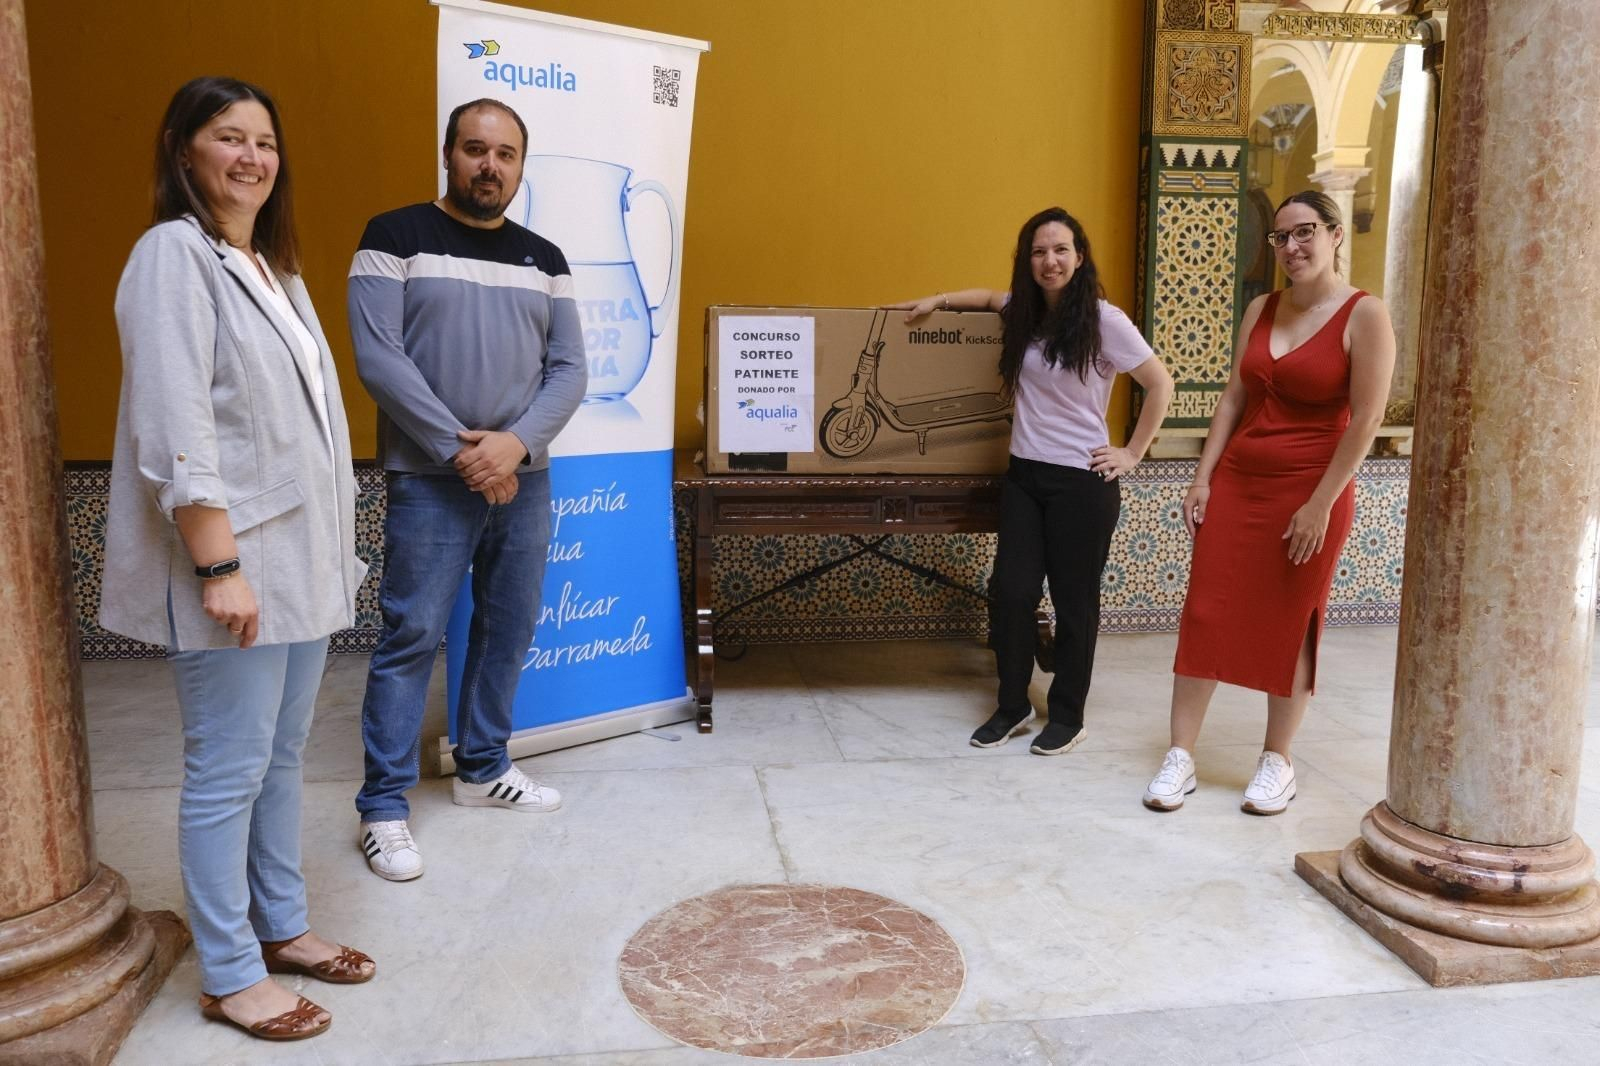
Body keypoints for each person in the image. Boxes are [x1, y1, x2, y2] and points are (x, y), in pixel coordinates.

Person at [101, 76, 373, 1042]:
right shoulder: (173, 255)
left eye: (265, 140)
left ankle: (282, 926)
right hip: (239, 570)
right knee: (228, 768)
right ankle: (227, 971)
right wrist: (218, 568)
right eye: (229, 137)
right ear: (184, 151)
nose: (253, 157)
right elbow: (178, 425)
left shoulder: (273, 269)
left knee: (283, 756)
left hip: (300, 565)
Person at [348, 98, 586, 881]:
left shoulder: (546, 259)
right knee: (411, 636)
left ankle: (483, 768)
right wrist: (465, 451)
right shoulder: (395, 236)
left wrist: (515, 445)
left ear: (521, 164)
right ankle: (384, 807)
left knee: (507, 627)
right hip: (432, 479)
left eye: (506, 154)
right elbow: (380, 359)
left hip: (526, 477)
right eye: (476, 150)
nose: (491, 166)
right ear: (449, 154)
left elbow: (570, 370)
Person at [1143, 190, 1395, 815]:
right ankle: (1180, 756)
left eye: (1305, 232)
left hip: (1313, 488)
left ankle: (1277, 760)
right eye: (1280, 238)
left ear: (1337, 235)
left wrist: (1319, 503)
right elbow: (1233, 396)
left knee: (1292, 620)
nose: (1292, 248)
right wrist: (1203, 477)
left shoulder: (1366, 316)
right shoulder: (1262, 306)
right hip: (1240, 480)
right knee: (1205, 609)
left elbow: (1366, 420)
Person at [893, 207, 1174, 755]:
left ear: (1080, 256)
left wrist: (1132, 453)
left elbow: (1160, 383)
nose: (1050, 260)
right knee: (1011, 592)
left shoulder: (1103, 320)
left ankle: (1068, 714)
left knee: (1074, 603)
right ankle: (1014, 703)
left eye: (1061, 249)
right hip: (1024, 475)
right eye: (1039, 251)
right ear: (1028, 260)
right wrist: (938, 300)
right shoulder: (1022, 311)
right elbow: (986, 298)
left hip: (1081, 482)